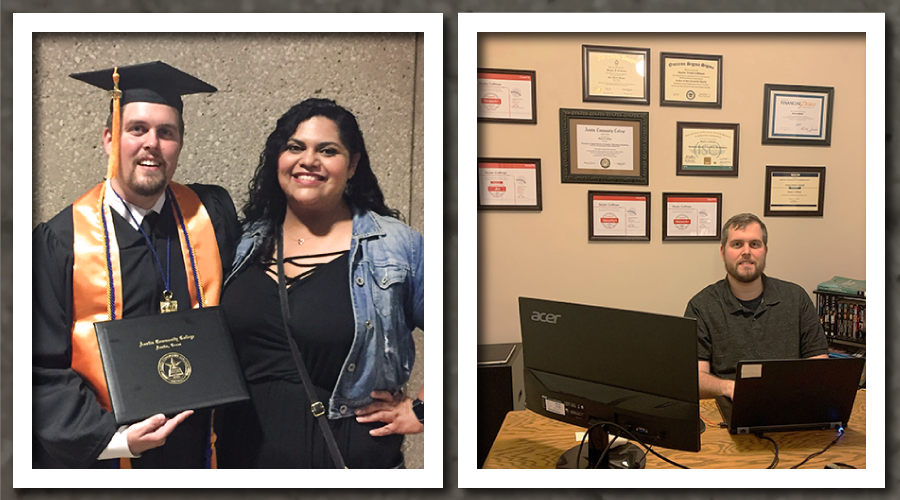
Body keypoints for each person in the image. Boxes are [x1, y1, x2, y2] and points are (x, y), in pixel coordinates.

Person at [32, 61, 240, 468]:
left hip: (198, 454)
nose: (152, 143)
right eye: (137, 129)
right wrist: (115, 439)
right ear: (110, 139)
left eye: (167, 132)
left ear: (180, 144)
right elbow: (39, 366)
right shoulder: (62, 240)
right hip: (107, 457)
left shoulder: (211, 217)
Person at [215, 98, 424, 468]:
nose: (308, 160)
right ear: (277, 158)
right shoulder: (242, 242)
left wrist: (424, 410)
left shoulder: (394, 245)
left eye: (327, 150)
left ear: (353, 164)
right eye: (295, 147)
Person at [684, 213, 828, 400]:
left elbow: (819, 366)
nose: (746, 252)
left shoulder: (796, 298)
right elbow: (696, 378)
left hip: (790, 402)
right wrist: (729, 387)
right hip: (729, 405)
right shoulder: (701, 306)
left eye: (754, 244)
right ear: (723, 252)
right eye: (737, 244)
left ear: (765, 251)